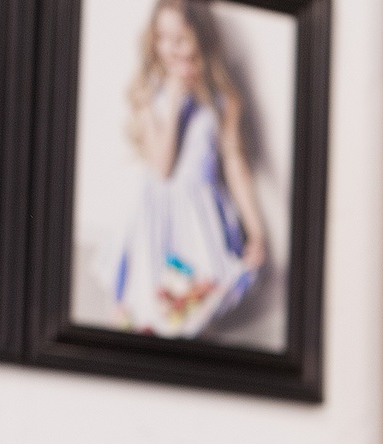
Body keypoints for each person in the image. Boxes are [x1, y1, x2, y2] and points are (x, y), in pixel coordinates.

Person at [103, 0, 266, 339]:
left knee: (197, 302)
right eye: (162, 38)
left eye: (180, 37)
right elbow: (162, 169)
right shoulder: (149, 92)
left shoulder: (223, 97)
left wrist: (255, 229)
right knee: (150, 308)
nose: (170, 48)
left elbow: (235, 164)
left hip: (200, 217)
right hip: (157, 216)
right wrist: (175, 100)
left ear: (201, 37)